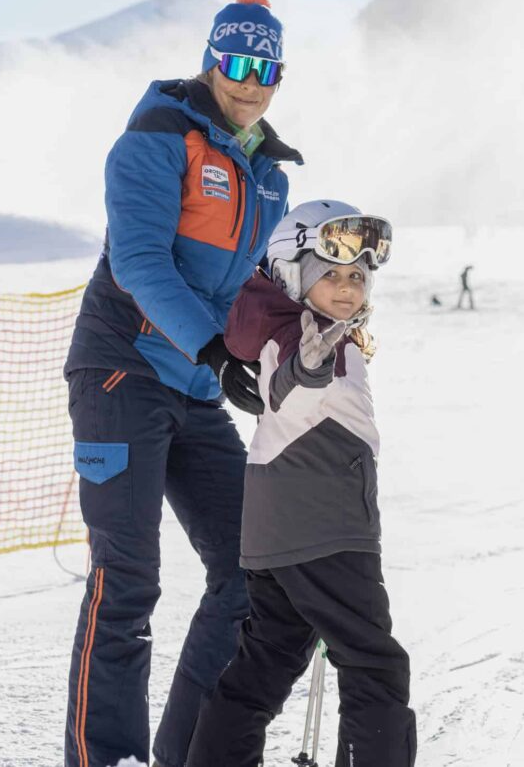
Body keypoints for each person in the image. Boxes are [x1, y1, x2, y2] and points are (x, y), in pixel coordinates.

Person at [62, 0, 302, 767]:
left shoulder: (270, 179)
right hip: (121, 370)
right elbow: (138, 263)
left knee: (251, 572)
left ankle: (192, 756)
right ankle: (105, 759)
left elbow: (258, 291)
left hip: (197, 389)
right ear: (210, 59)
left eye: (266, 68)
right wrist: (212, 350)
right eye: (236, 62)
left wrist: (302, 353)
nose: (250, 80)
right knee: (127, 576)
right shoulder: (156, 140)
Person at [185, 200, 417, 767]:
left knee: (268, 659)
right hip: (325, 529)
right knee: (373, 663)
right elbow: (289, 388)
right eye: (330, 274)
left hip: (276, 530)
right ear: (293, 274)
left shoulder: (285, 324)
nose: (346, 289)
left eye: (357, 277)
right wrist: (310, 367)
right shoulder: (306, 337)